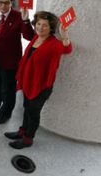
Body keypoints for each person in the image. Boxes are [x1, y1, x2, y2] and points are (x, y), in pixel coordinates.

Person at [6, 11, 73, 149]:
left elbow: (67, 49)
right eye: (38, 24)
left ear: (51, 28)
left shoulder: (54, 44)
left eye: (45, 25)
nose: (40, 27)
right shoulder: (36, 37)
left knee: (33, 113)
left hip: (41, 86)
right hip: (28, 81)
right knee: (26, 108)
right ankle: (22, 131)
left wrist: (65, 36)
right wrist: (25, 20)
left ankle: (28, 139)